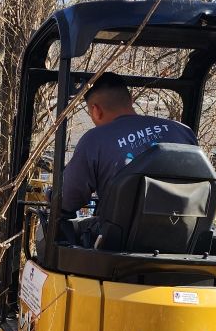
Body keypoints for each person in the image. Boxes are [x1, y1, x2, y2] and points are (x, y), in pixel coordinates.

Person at [62, 72, 198, 221]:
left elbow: (68, 200)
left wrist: (52, 195)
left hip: (118, 241)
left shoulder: (94, 140)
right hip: (184, 235)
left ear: (96, 110)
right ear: (131, 100)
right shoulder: (182, 131)